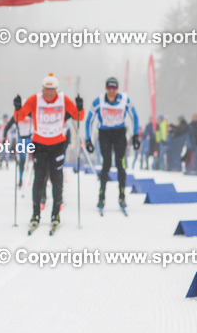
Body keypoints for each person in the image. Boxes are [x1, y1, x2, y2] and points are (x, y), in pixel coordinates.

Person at [14, 73, 84, 230]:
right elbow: (19, 117)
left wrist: (80, 107)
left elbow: (79, 117)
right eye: (46, 90)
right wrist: (17, 107)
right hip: (39, 145)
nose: (49, 93)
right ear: (42, 89)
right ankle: (35, 213)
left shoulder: (63, 100)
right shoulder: (34, 100)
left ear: (56, 90)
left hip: (58, 144)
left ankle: (55, 214)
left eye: (52, 90)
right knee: (39, 179)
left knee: (57, 179)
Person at [84, 77, 139, 210]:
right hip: (105, 134)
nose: (111, 91)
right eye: (109, 88)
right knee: (106, 164)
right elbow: (89, 121)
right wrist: (88, 139)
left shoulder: (125, 100)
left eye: (114, 88)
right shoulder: (99, 101)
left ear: (117, 89)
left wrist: (135, 135)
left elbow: (134, 117)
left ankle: (122, 195)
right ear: (106, 89)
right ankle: (101, 196)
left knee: (121, 164)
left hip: (120, 133)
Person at [2, 110, 33, 187]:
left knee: (37, 160)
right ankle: (21, 178)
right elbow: (7, 127)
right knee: (22, 160)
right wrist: (4, 137)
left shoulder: (31, 114)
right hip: (21, 139)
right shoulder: (17, 115)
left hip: (31, 139)